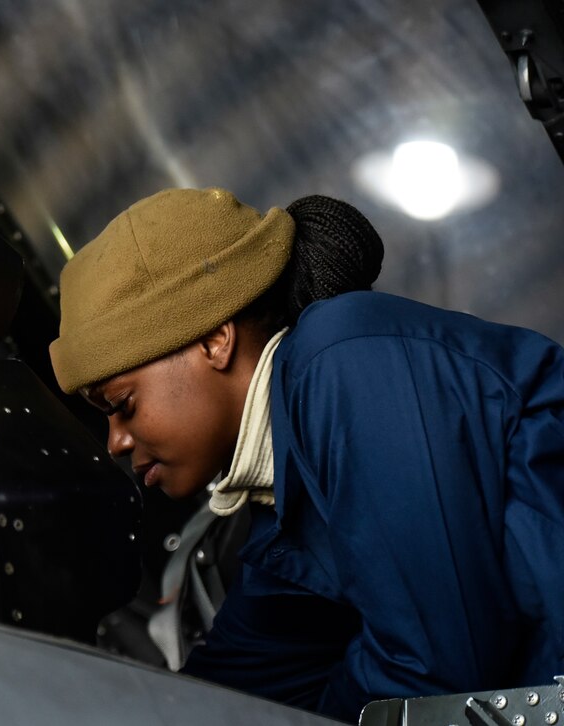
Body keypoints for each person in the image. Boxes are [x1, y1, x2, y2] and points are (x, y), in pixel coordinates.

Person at [47, 188, 564, 723]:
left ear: (213, 341)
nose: (116, 442)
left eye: (122, 405)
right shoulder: (286, 507)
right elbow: (224, 695)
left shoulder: (345, 360)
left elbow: (438, 663)